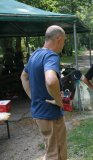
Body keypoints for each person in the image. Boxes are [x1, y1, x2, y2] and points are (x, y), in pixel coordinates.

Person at [20, 25, 67, 160]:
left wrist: (33, 97)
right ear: (58, 39)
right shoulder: (51, 56)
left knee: (50, 150)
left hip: (39, 113)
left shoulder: (35, 54)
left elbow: (23, 77)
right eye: (63, 41)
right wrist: (59, 101)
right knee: (56, 154)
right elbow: (51, 81)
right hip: (50, 114)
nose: (63, 45)